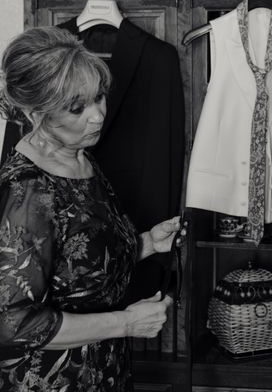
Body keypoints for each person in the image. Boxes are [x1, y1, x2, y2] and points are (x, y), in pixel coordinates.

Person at [0, 27, 184, 391]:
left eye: (99, 97)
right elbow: (13, 322)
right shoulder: (27, 192)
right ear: (38, 112)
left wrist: (146, 243)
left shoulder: (81, 159)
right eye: (77, 107)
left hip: (104, 371)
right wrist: (126, 324)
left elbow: (77, 263)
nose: (98, 115)